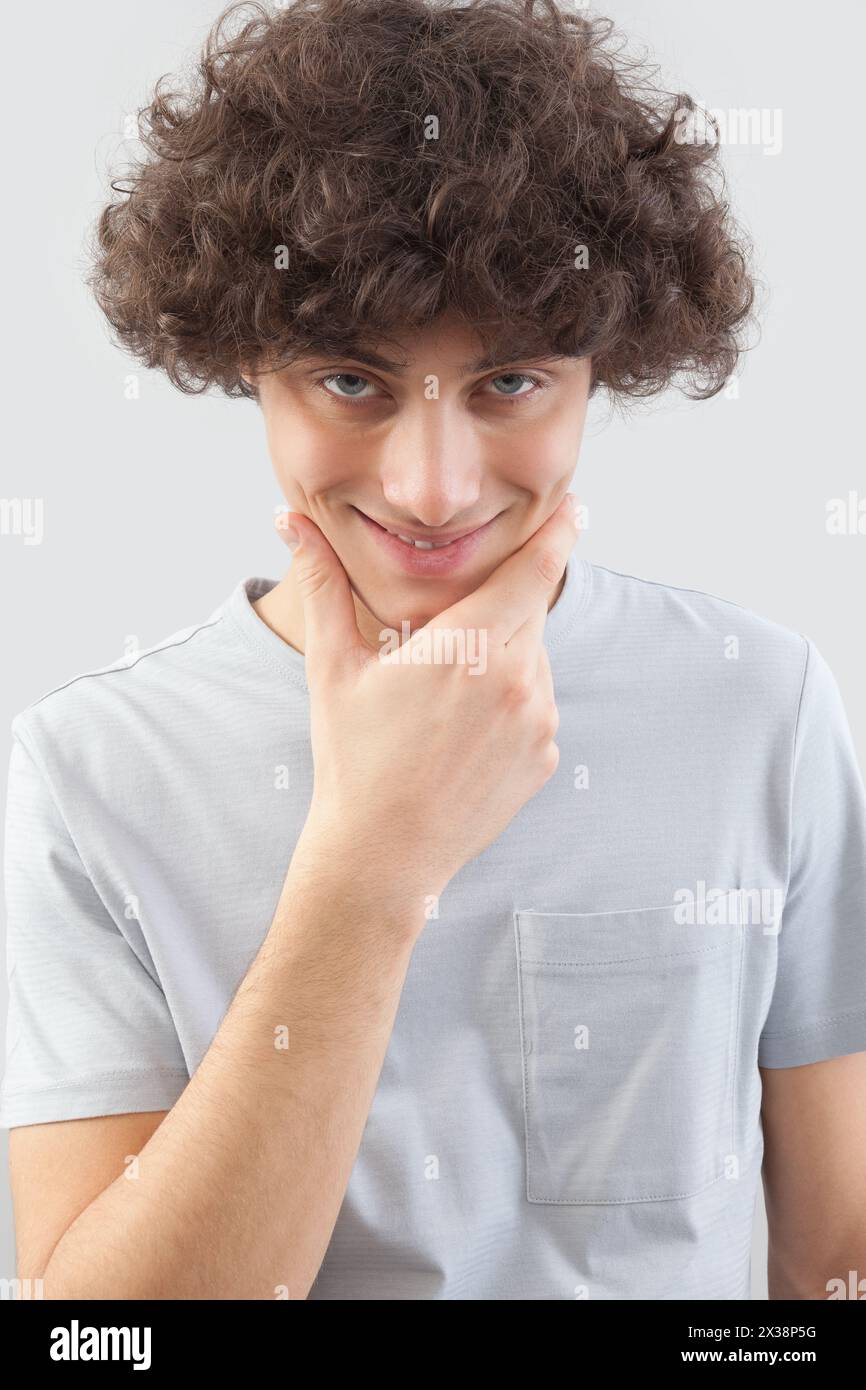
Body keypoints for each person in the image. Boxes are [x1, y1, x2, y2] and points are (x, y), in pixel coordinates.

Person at [2, 0, 865, 1301]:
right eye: (350, 380)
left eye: (507, 383)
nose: (428, 485)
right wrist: (370, 861)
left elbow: (833, 1268)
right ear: (246, 360)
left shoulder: (761, 707)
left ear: (600, 369)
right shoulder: (88, 772)